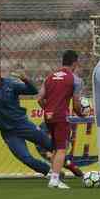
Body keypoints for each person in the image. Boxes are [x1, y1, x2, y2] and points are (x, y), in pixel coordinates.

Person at [0, 58, 83, 178]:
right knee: (25, 158)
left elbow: (32, 91)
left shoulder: (11, 85)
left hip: (23, 125)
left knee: (52, 146)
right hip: (9, 132)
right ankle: (51, 172)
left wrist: (25, 79)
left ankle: (69, 164)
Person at [38, 50, 88, 189]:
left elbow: (40, 98)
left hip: (48, 116)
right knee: (61, 149)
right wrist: (82, 114)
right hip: (61, 117)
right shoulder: (75, 80)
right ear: (75, 63)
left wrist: (48, 111)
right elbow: (76, 105)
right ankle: (54, 180)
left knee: (55, 148)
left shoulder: (49, 77)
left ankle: (55, 176)